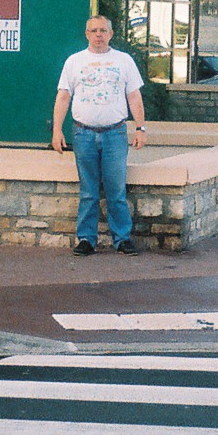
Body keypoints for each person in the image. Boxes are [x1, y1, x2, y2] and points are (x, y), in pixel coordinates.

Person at [52, 15, 146, 255]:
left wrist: (140, 128)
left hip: (115, 134)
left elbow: (134, 97)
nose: (98, 35)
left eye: (103, 30)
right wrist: (57, 131)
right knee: (88, 191)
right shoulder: (74, 61)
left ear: (111, 34)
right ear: (86, 34)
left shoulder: (123, 61)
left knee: (116, 190)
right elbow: (63, 96)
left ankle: (122, 238)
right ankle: (86, 239)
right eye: (93, 30)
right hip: (83, 134)